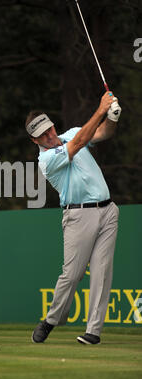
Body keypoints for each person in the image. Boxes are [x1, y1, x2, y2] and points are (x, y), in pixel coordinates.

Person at [26, 91, 121, 344]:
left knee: (102, 271)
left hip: (108, 211)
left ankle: (94, 331)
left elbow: (102, 133)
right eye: (43, 136)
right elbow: (79, 143)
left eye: (50, 130)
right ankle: (51, 320)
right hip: (79, 216)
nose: (50, 136)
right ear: (36, 142)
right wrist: (101, 109)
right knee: (72, 274)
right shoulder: (46, 160)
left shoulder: (70, 133)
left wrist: (112, 116)